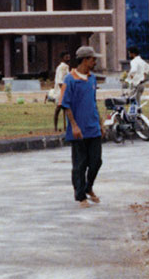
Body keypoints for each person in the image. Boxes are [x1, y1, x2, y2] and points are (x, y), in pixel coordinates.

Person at [61, 46, 104, 208]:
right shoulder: (69, 80)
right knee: (80, 164)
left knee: (96, 161)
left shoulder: (92, 79)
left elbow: (93, 102)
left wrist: (100, 123)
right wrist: (74, 125)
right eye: (93, 59)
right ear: (85, 60)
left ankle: (88, 187)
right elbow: (66, 105)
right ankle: (80, 196)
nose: (95, 62)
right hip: (78, 130)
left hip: (93, 128)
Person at [52, 51, 71, 130]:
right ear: (62, 58)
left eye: (69, 57)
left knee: (61, 109)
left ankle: (61, 127)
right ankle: (56, 128)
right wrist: (64, 92)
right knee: (60, 108)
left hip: (62, 90)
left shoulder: (64, 67)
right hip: (61, 91)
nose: (68, 59)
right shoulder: (63, 67)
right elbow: (60, 81)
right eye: (66, 57)